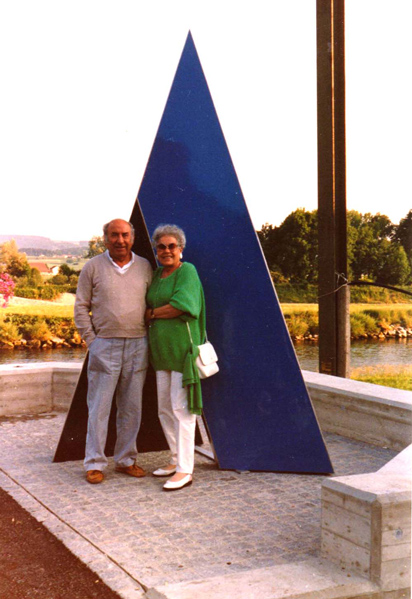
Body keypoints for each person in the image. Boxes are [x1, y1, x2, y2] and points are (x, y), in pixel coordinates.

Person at [75, 219, 152, 484]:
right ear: (105, 238)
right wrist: (92, 342)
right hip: (104, 345)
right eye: (114, 235)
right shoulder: (92, 267)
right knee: (99, 407)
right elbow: (80, 307)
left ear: (132, 237)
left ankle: (126, 460)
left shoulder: (144, 267)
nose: (120, 240)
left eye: (125, 235)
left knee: (132, 408)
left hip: (138, 343)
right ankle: (95, 463)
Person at [145, 224, 206, 491]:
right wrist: (156, 311)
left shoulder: (187, 271)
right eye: (161, 246)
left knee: (182, 410)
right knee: (164, 409)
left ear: (181, 249)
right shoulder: (158, 275)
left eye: (172, 246)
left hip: (182, 350)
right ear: (156, 250)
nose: (167, 251)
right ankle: (174, 458)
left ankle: (185, 470)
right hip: (161, 352)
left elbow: (185, 306)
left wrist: (152, 314)